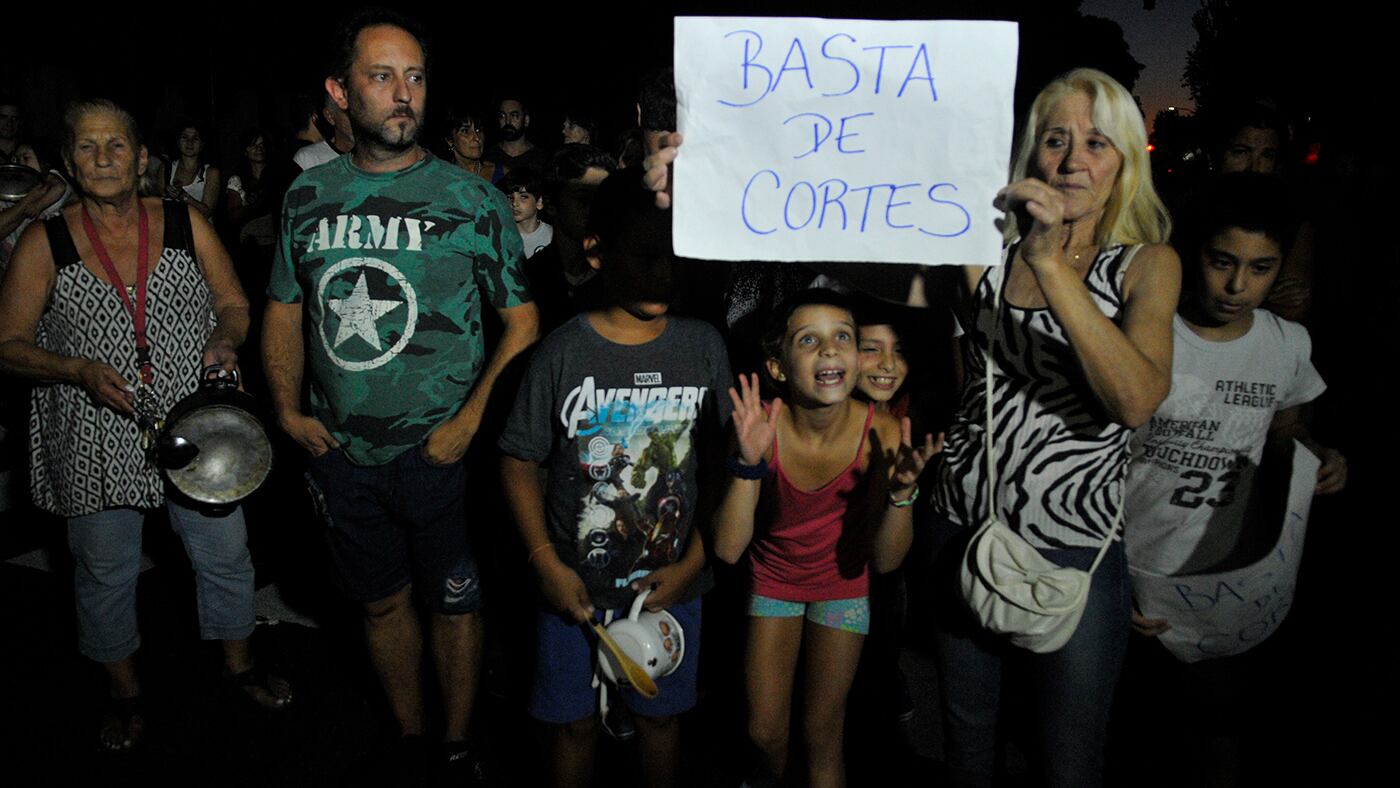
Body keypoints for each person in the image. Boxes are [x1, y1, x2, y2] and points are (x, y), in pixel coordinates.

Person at [262, 10, 538, 779]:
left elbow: (523, 323)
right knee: (379, 603)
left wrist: (469, 425)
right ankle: (411, 736)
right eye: (381, 76)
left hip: (442, 456)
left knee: (456, 603)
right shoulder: (307, 197)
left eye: (414, 76)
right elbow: (284, 307)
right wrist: (287, 410)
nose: (402, 93)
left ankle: (456, 743)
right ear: (339, 91)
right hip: (339, 455)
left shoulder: (471, 199)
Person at [0, 98, 288, 753]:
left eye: (116, 145)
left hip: (194, 424)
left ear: (141, 157)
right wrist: (75, 370)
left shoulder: (187, 222)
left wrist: (223, 340)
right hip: (93, 431)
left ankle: (240, 668)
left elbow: (235, 302)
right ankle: (124, 694)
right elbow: (7, 344)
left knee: (224, 555)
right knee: (104, 571)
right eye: (86, 146)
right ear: (66, 161)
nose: (103, 158)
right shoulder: (46, 240)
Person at [923, 68, 1180, 788]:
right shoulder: (977, 252)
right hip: (960, 531)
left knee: (1067, 761)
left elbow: (1134, 399)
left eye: (1097, 142)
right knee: (966, 743)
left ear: (1125, 159)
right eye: (1055, 140)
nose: (1073, 161)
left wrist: (1048, 260)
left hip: (1076, 551)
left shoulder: (1147, 266)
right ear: (1028, 154)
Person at [500, 174, 731, 788]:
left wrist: (693, 564)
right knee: (572, 725)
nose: (662, 273)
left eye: (674, 255)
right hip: (573, 592)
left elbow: (722, 470)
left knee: (659, 719)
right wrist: (547, 562)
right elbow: (518, 461)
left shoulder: (703, 346)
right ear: (597, 252)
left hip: (671, 589)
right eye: (645, 256)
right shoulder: (562, 353)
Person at [1119, 172, 1345, 785]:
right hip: (1133, 578)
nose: (1239, 285)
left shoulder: (1286, 343)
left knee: (1215, 736)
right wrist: (1112, 580)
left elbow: (1287, 431)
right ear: (1194, 253)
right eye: (1222, 262)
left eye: (1261, 268)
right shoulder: (1148, 334)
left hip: (1226, 589)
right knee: (1130, 739)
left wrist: (1321, 455)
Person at [713, 289, 939, 788]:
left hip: (844, 586)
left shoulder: (882, 431)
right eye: (809, 340)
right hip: (773, 582)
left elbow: (884, 562)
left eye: (842, 337)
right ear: (778, 367)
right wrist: (747, 465)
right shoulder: (759, 428)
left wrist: (902, 494)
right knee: (764, 732)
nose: (830, 349)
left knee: (822, 734)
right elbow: (728, 549)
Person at [166, 123, 222, 218]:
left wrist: (184, 197)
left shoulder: (211, 173)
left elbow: (207, 212)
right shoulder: (166, 169)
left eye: (195, 139)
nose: (189, 142)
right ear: (178, 141)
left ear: (202, 144)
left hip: (200, 230)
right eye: (184, 137)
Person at [293, 94, 354, 171]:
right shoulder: (307, 158)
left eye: (361, 110)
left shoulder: (371, 156)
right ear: (330, 117)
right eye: (348, 112)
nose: (357, 118)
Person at [486, 97, 547, 174]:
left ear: (526, 120)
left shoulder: (540, 159)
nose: (507, 121)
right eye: (502, 116)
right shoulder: (489, 156)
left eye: (514, 115)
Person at [499, 168, 551, 259]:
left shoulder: (551, 235)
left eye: (523, 197)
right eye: (510, 198)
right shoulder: (501, 236)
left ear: (539, 202)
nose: (515, 203)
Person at [443, 109, 503, 183]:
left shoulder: (501, 174)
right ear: (450, 140)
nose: (477, 138)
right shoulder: (442, 177)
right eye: (465, 131)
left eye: (478, 130)